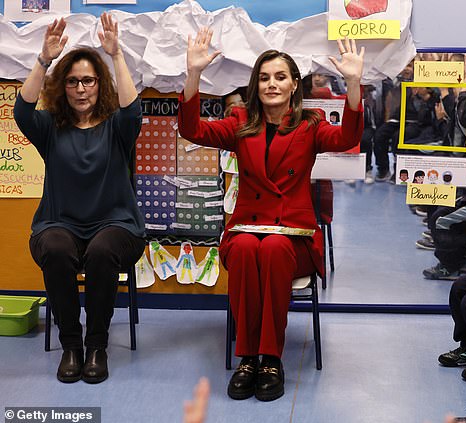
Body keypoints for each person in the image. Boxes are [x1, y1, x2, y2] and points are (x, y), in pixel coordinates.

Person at [178, 28, 364, 401]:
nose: (271, 84)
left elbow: (346, 137)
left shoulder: (310, 124)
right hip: (246, 228)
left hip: (293, 237)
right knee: (248, 249)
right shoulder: (240, 121)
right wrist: (194, 74)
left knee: (274, 250)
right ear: (255, 85)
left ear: (295, 84)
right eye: (264, 78)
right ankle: (247, 357)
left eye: (280, 77)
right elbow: (192, 129)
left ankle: (270, 359)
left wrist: (354, 83)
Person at [14, 13, 146, 384]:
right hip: (59, 225)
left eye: (88, 80)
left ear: (98, 84)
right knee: (55, 248)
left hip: (118, 226)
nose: (81, 89)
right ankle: (71, 345)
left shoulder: (117, 129)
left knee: (103, 251)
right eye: (72, 82)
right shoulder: (50, 128)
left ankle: (97, 346)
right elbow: (22, 110)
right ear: (63, 87)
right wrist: (43, 60)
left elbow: (132, 109)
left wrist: (115, 55)